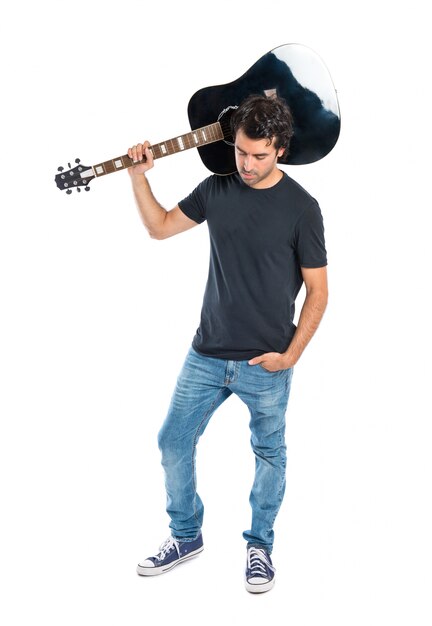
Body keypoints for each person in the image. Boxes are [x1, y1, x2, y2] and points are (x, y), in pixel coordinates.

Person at [127, 94, 328, 593]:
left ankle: (259, 546)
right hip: (207, 353)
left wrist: (290, 356)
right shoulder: (217, 188)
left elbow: (319, 293)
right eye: (241, 152)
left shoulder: (303, 208)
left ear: (280, 149)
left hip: (267, 362)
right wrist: (138, 176)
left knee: (269, 454)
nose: (247, 164)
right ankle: (186, 535)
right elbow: (159, 229)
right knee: (172, 440)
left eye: (259, 155)